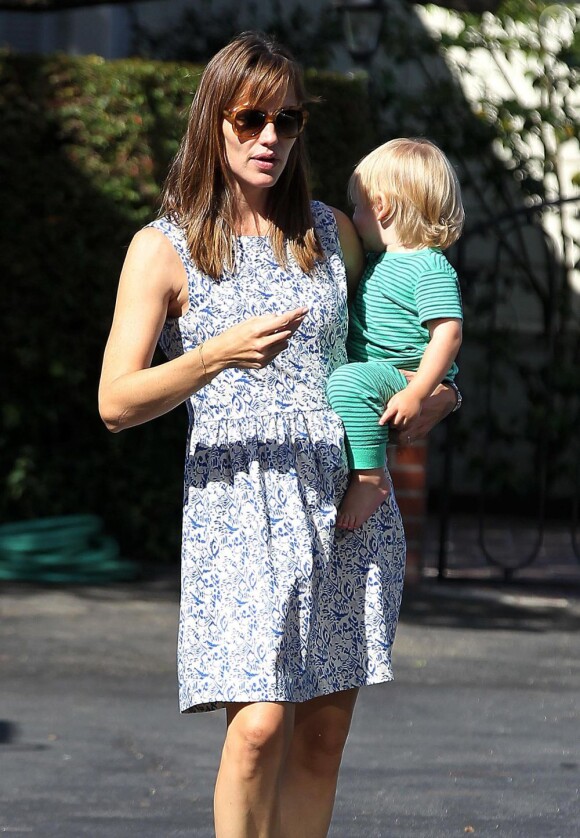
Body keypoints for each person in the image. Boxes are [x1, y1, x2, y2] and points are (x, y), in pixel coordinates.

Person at [98, 32, 458, 838]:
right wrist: (218, 354)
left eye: (287, 122)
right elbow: (116, 402)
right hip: (239, 506)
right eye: (251, 118)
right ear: (213, 122)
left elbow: (391, 343)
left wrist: (435, 397)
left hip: (341, 501)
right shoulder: (162, 249)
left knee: (324, 734)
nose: (270, 138)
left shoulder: (332, 231)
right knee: (258, 727)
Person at [327, 138, 464, 531]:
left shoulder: (429, 267)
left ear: (381, 206)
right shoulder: (377, 260)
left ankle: (371, 479)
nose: (354, 217)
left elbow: (448, 335)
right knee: (349, 382)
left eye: (358, 207)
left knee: (348, 381)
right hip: (381, 373)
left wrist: (418, 392)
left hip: (401, 374)